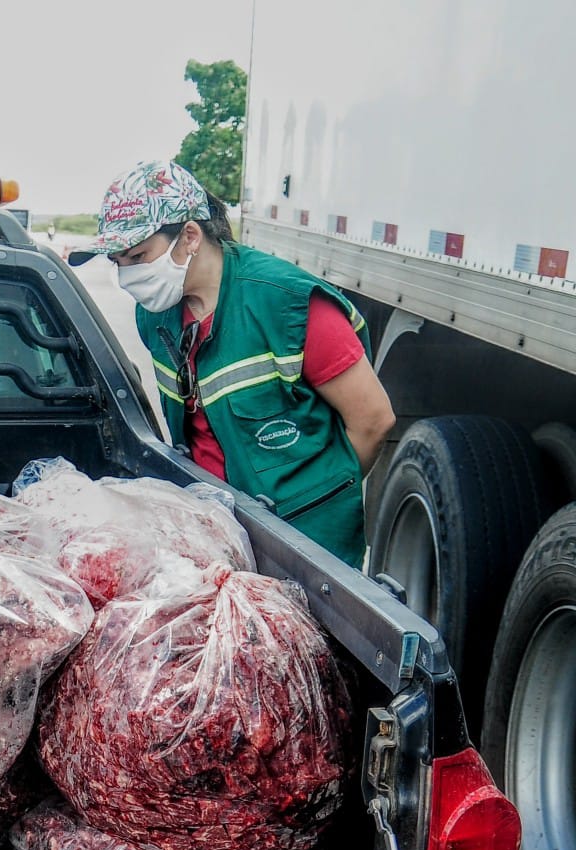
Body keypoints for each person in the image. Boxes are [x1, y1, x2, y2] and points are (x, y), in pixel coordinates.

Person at [68, 160, 395, 567]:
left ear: (189, 236)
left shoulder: (285, 303)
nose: (127, 276)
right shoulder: (155, 315)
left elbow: (373, 420)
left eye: (138, 256)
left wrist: (319, 499)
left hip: (306, 543)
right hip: (218, 534)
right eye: (118, 262)